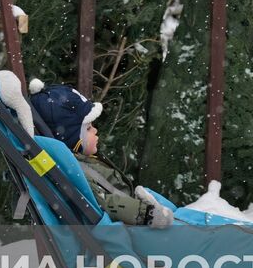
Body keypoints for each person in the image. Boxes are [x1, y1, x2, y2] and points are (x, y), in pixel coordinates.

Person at [28, 83, 173, 229]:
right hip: (132, 227)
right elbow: (106, 202)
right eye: (89, 128)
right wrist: (147, 214)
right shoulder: (77, 170)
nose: (95, 130)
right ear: (72, 138)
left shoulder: (82, 161)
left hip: (134, 214)